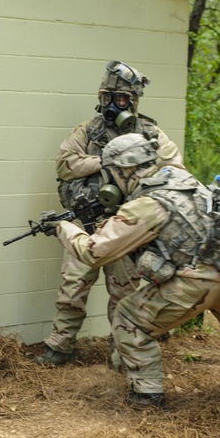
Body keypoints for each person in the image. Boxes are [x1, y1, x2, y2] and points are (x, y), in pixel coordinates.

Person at [53, 132, 220, 410]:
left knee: (129, 318)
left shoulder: (146, 205)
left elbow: (94, 253)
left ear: (120, 171)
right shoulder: (184, 180)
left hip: (195, 283)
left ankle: (147, 397)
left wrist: (64, 228)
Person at [37, 61, 183, 366]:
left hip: (124, 225)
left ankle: (122, 354)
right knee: (72, 287)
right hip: (86, 221)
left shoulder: (150, 134)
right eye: (107, 98)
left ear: (132, 102)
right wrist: (105, 159)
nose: (112, 106)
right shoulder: (88, 131)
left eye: (120, 100)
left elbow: (175, 170)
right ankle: (59, 347)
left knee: (124, 294)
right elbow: (65, 164)